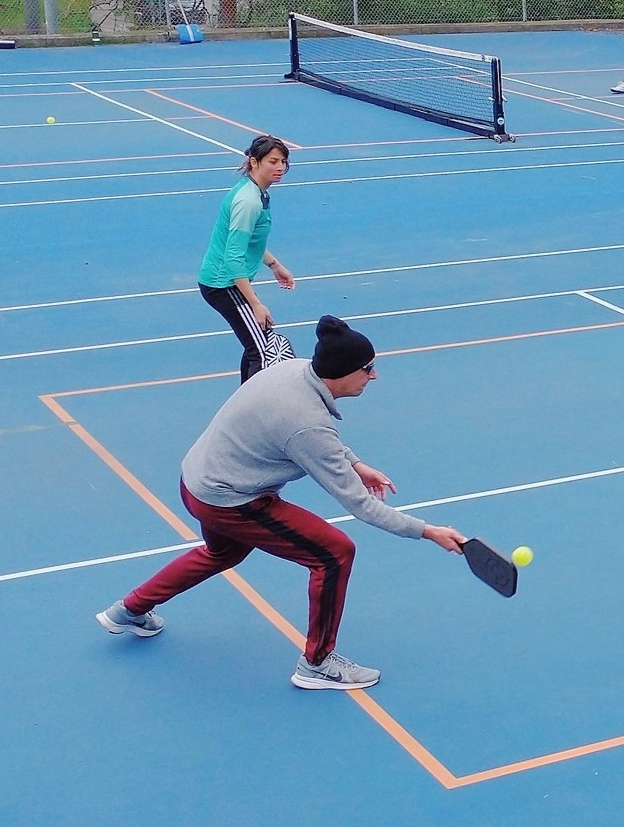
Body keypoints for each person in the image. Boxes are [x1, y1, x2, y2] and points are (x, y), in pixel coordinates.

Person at [97, 315, 466, 691]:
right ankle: (317, 663)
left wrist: (355, 463)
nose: (374, 376)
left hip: (196, 480)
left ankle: (128, 610)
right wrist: (427, 531)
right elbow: (360, 504)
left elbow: (313, 437)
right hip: (231, 499)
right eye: (367, 369)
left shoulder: (293, 370)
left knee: (222, 553)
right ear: (341, 374)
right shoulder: (306, 423)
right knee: (334, 553)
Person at [199, 135, 296, 382]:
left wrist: (274, 265)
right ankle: (250, 413)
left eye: (283, 162)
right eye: (273, 161)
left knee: (256, 343)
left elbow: (249, 241)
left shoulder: (256, 192)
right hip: (223, 284)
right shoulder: (248, 201)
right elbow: (233, 256)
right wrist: (256, 304)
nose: (280, 167)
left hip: (227, 281)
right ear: (254, 162)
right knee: (261, 350)